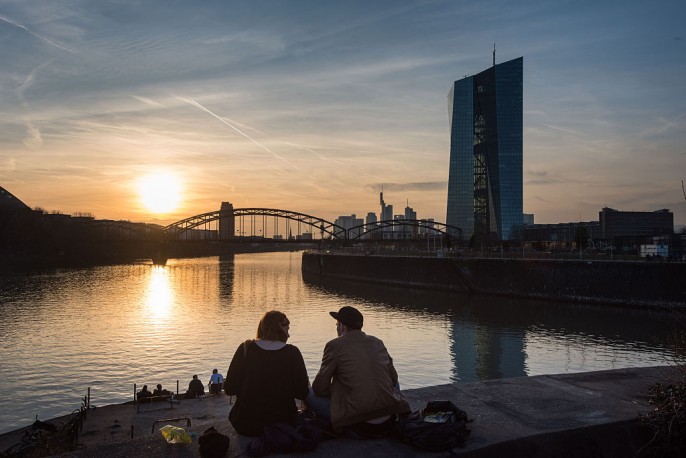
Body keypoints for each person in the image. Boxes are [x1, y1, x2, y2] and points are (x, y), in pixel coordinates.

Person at [307, 306, 410, 437]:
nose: (337, 328)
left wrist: (337, 391)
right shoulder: (377, 342)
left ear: (342, 326)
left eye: (337, 325)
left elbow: (319, 388)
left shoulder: (334, 345)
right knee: (392, 383)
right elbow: (393, 379)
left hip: (359, 426)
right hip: (389, 421)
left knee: (308, 393)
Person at [224, 310, 309, 437]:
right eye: (287, 328)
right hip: (283, 423)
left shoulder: (245, 348)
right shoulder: (292, 353)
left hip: (246, 424)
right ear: (278, 328)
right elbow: (302, 392)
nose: (289, 335)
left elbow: (229, 388)